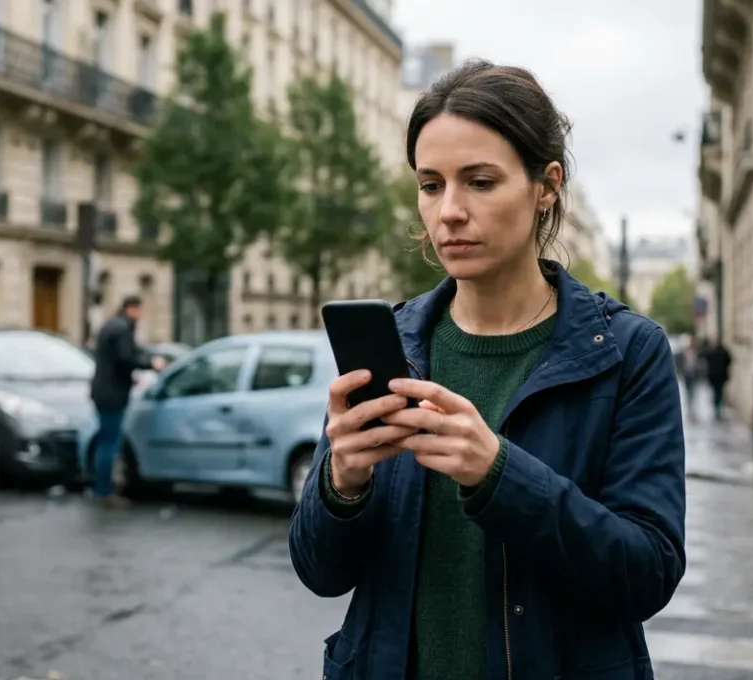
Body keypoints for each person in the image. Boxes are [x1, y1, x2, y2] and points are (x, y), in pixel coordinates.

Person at [288, 60, 686, 680]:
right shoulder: (397, 344)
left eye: (479, 181)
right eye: (430, 184)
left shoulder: (627, 351)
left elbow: (647, 573)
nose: (449, 211)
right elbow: (320, 572)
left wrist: (500, 474)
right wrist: (342, 483)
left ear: (546, 185)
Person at [90, 296, 166, 508]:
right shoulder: (123, 328)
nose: (141, 316)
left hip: (102, 391)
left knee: (106, 440)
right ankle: (103, 491)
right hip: (113, 393)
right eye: (140, 310)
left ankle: (100, 488)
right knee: (110, 442)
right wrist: (152, 363)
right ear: (133, 309)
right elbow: (127, 358)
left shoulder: (111, 325)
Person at [702, 340, 733, 421]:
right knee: (719, 392)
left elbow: (705, 358)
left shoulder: (712, 353)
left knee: (716, 392)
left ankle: (717, 409)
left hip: (714, 377)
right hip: (721, 377)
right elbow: (729, 361)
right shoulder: (724, 352)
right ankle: (718, 409)